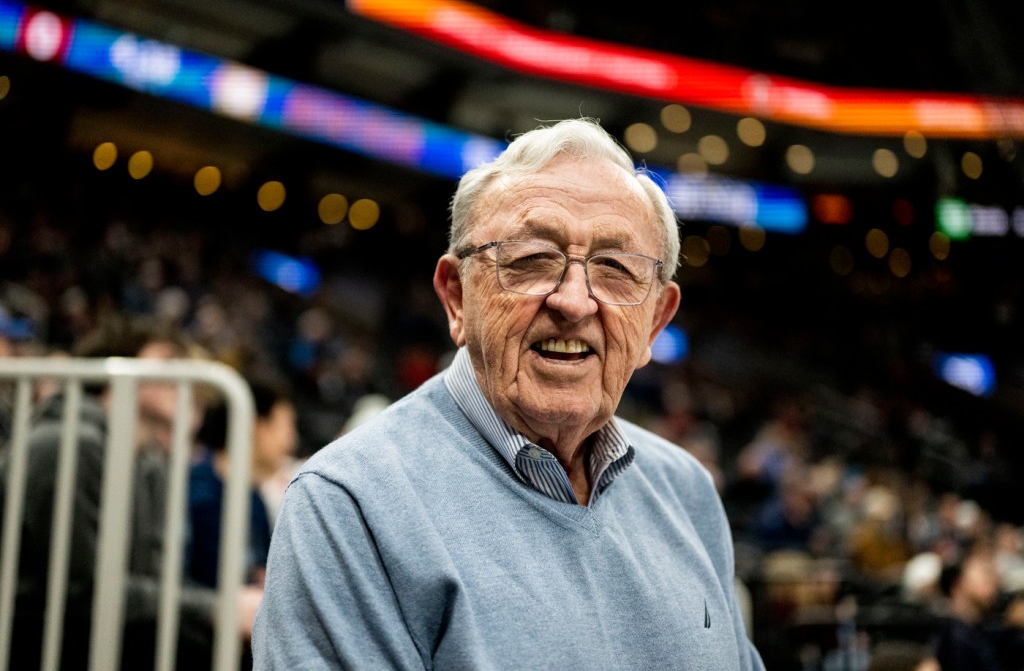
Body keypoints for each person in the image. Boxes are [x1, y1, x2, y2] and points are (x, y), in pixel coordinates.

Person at [251, 117, 766, 670]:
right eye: (530, 260)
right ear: (456, 300)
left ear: (656, 325)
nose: (574, 301)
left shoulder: (688, 493)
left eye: (615, 268)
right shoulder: (349, 502)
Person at [7, 314, 262, 671]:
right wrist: (213, 608)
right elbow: (80, 590)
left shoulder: (148, 462)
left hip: (99, 626)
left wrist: (221, 606)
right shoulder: (68, 443)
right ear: (118, 369)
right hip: (44, 632)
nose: (182, 378)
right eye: (168, 363)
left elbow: (154, 577)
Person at [187, 368, 298, 590]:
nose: (292, 441)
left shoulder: (254, 499)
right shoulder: (195, 495)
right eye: (287, 426)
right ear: (257, 426)